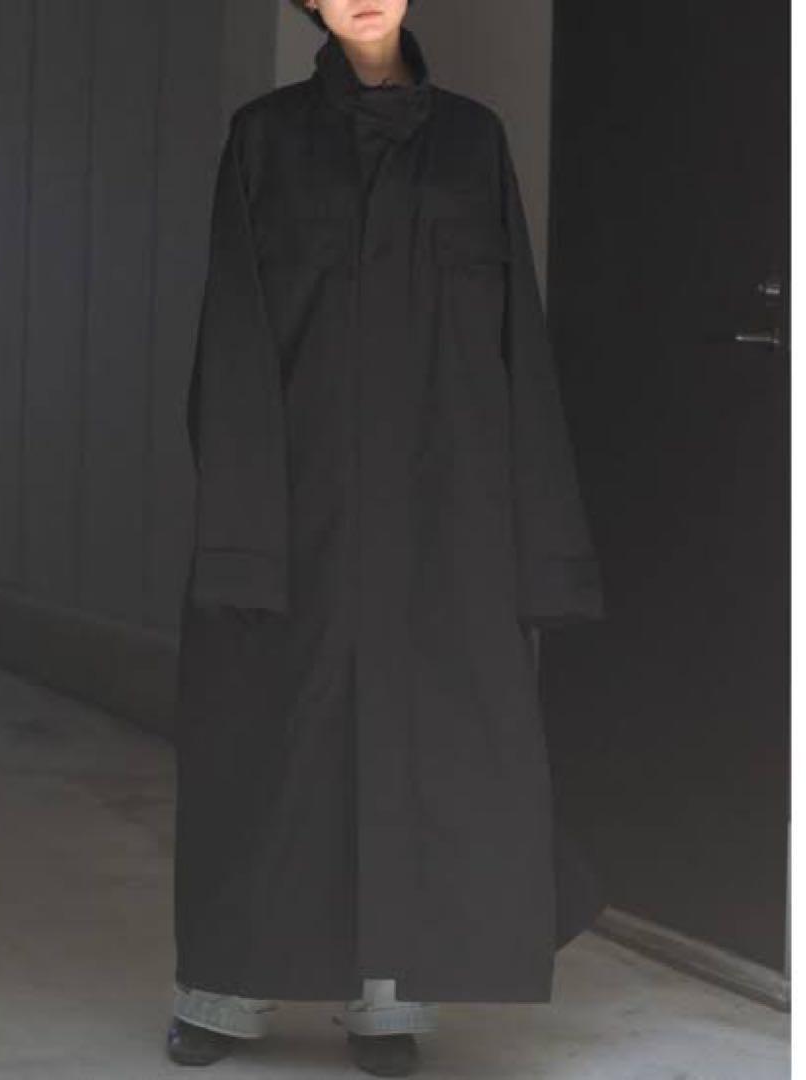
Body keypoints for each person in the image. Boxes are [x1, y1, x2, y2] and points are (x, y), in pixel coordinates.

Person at [168, 1, 606, 1074]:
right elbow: (233, 334)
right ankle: (222, 989)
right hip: (301, 498)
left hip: (446, 506)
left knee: (428, 748)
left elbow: (516, 336)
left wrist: (535, 534)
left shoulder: (473, 141)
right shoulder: (265, 138)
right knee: (270, 738)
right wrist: (240, 521)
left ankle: (390, 1000)